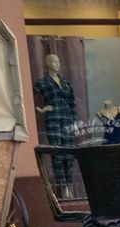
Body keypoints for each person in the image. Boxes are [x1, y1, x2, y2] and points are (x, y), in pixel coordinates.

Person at [32, 53, 77, 193]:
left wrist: (75, 122)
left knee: (69, 154)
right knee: (57, 154)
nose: (57, 63)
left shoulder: (65, 82)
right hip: (53, 120)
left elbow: (72, 102)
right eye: (53, 61)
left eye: (58, 61)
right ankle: (63, 188)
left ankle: (70, 185)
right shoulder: (43, 82)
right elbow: (27, 95)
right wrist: (40, 109)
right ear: (47, 64)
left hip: (68, 120)